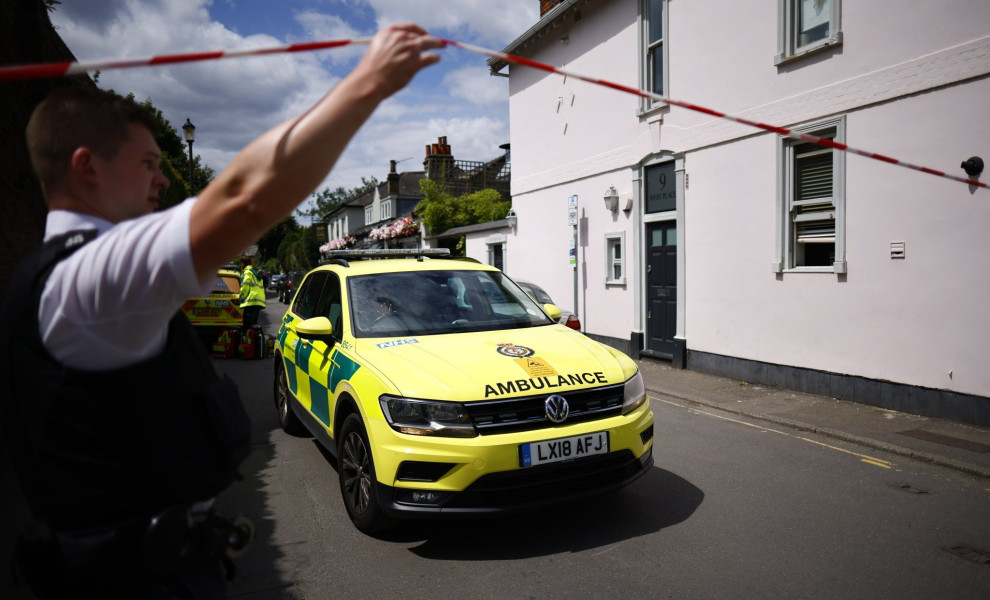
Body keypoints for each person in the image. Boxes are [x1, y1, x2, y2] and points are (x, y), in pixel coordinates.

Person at [0, 24, 443, 599]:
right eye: (146, 162)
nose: (164, 179)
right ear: (87, 168)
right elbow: (245, 196)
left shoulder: (53, 276)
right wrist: (370, 82)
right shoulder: (90, 277)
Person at [237, 256, 265, 329]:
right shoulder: (256, 272)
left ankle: (246, 339)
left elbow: (245, 287)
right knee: (253, 324)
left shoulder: (247, 272)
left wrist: (241, 298)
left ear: (243, 264)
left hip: (250, 301)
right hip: (258, 301)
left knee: (246, 325)